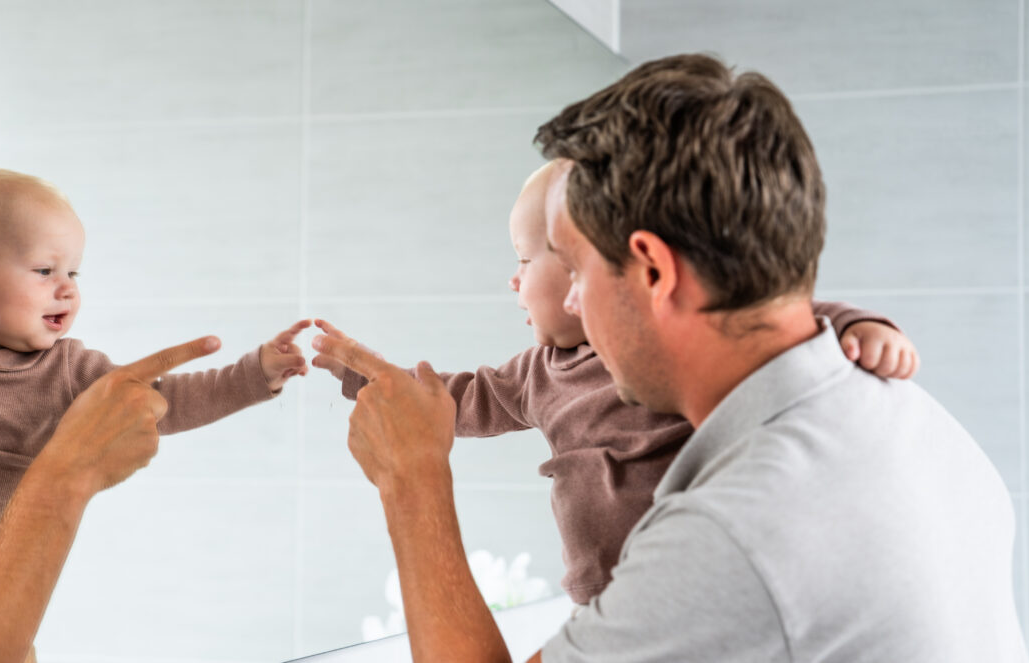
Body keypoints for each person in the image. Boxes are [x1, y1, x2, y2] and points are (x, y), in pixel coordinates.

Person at [311, 54, 1028, 662]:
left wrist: (413, 481)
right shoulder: (910, 418)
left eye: (575, 270)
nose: (572, 306)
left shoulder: (735, 531)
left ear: (653, 270)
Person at [312, 160, 919, 606]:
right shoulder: (536, 372)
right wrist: (369, 377)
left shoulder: (660, 348)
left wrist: (860, 325)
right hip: (595, 593)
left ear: (584, 268)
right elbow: (452, 400)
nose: (513, 281)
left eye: (524, 261)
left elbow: (781, 318)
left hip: (679, 579)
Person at [0, 166, 310, 643]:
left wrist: (251, 376)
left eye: (72, 273)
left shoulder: (71, 371)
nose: (68, 289)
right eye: (44, 271)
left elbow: (165, 402)